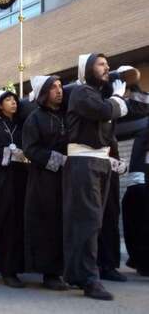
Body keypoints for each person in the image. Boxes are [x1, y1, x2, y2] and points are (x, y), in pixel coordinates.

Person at [63, 53, 128, 300]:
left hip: (98, 162)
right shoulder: (82, 93)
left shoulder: (98, 94)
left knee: (92, 222)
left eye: (107, 64)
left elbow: (106, 130)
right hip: (83, 163)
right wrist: (118, 98)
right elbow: (102, 110)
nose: (107, 67)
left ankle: (78, 274)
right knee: (88, 221)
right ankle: (89, 279)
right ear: (87, 69)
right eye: (101, 64)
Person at [23, 75, 68, 291]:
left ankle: (67, 269)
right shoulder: (35, 118)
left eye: (60, 86)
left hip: (67, 178)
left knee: (65, 222)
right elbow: (30, 149)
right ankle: (50, 273)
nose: (59, 91)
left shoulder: (66, 115)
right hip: (44, 180)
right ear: (44, 93)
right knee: (48, 224)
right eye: (54, 88)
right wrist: (57, 160)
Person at [0, 90, 28, 288]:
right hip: (2, 180)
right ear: (0, 105)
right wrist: (6, 153)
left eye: (15, 100)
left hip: (21, 178)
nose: (13, 103)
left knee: (19, 223)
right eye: (8, 100)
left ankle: (12, 264)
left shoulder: (21, 125)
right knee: (5, 222)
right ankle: (8, 270)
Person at [97, 141, 128, 282]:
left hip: (111, 177)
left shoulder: (110, 131)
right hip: (95, 175)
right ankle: (99, 265)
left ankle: (108, 265)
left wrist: (122, 165)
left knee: (111, 219)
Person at [122, 127, 149, 276]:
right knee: (142, 223)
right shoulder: (144, 133)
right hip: (142, 184)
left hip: (140, 183)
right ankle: (141, 262)